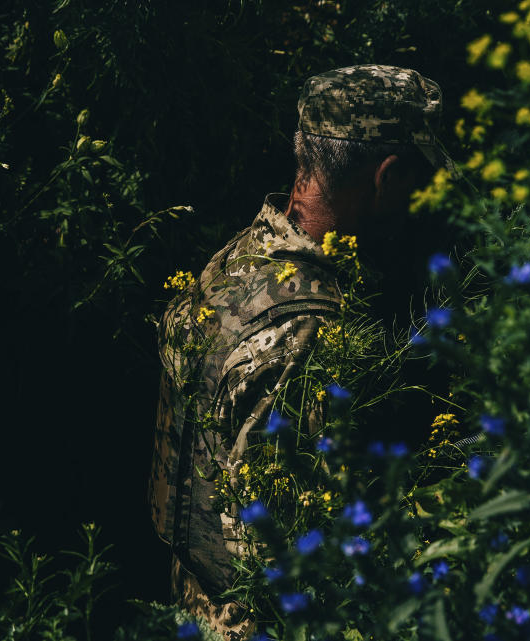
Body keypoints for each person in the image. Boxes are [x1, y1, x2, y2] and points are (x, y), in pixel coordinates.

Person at [149, 64, 452, 640]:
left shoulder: (233, 262)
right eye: (418, 182)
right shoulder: (305, 329)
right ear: (387, 178)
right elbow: (280, 555)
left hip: (191, 604)